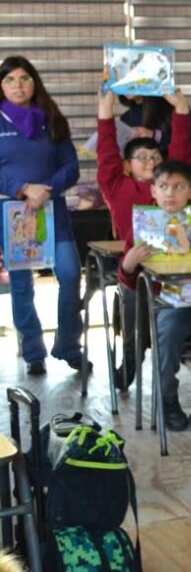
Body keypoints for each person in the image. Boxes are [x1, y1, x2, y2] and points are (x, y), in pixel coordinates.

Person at [117, 160, 191, 430]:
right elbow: (128, 280)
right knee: (168, 332)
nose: (170, 193)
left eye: (178, 187)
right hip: (171, 300)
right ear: (153, 191)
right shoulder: (143, 225)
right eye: (163, 186)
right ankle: (167, 399)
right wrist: (129, 263)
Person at [97, 88, 191, 387]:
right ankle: (131, 358)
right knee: (134, 297)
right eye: (142, 157)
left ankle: (170, 358)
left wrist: (181, 108)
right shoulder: (117, 185)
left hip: (174, 267)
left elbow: (181, 151)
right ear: (127, 165)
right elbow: (106, 150)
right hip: (136, 270)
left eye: (155, 156)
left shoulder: (170, 188)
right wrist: (105, 107)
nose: (151, 161)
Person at [0, 56, 86, 376]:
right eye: (10, 79)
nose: (18, 85)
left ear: (34, 82)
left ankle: (68, 346)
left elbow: (71, 167)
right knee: (22, 284)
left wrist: (45, 189)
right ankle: (33, 352)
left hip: (52, 209)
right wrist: (22, 189)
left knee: (70, 273)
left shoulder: (51, 118)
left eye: (24, 78)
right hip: (14, 212)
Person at [119, 95, 191, 202]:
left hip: (181, 187)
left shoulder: (175, 109)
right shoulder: (125, 118)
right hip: (144, 197)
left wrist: (155, 135)